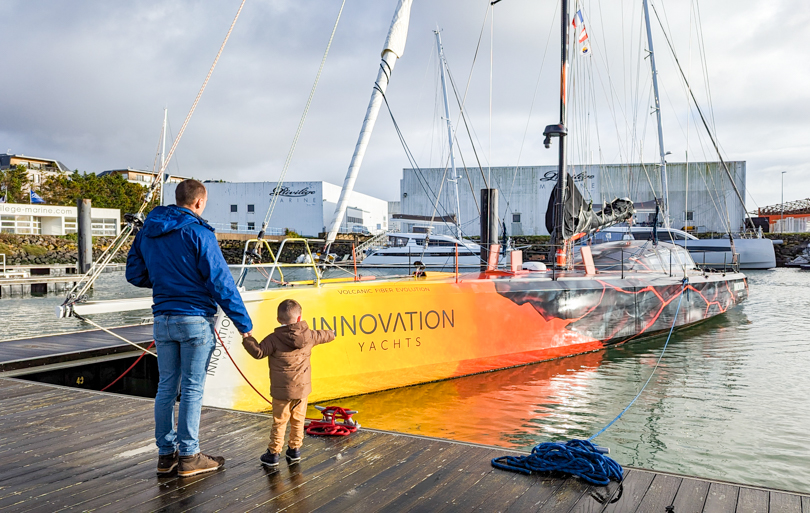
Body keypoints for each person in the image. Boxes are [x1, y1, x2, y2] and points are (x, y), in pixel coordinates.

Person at [126, 179, 253, 477]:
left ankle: (165, 455)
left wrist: (164, 281)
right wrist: (244, 326)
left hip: (163, 319)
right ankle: (189, 455)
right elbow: (221, 283)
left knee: (166, 387)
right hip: (195, 319)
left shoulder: (148, 231)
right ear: (198, 203)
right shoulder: (198, 232)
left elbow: (134, 273)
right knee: (192, 389)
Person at [241, 299, 335, 466]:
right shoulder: (310, 335)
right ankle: (294, 450)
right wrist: (332, 333)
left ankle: (273, 453)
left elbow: (258, 352)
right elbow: (324, 335)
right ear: (300, 318)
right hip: (302, 391)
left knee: (279, 420)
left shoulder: (273, 339)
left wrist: (248, 338)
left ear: (278, 320)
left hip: (281, 391)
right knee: (298, 420)